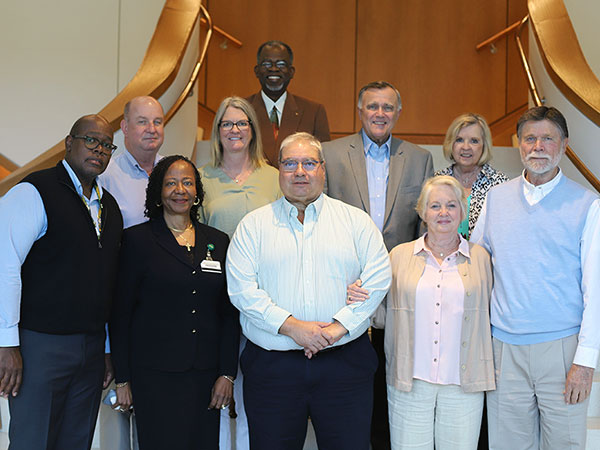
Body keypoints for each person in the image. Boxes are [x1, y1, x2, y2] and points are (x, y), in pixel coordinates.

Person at [226, 132, 392, 450]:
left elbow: (378, 277)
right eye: (290, 163)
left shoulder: (355, 222)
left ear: (322, 169)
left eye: (308, 163)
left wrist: (336, 328)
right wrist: (294, 327)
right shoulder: (253, 226)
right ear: (279, 170)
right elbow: (242, 290)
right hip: (273, 369)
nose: (299, 171)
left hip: (344, 365)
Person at [471, 106, 600, 449]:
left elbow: (596, 290)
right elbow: (473, 265)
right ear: (519, 144)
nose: (537, 146)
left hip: (561, 351)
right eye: (530, 138)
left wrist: (585, 363)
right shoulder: (495, 199)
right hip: (504, 349)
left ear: (564, 145)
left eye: (547, 138)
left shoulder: (588, 204)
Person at [0, 114, 123, 449]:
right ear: (69, 143)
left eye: (107, 145)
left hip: (91, 348)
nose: (99, 150)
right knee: (33, 441)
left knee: (76, 441)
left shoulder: (108, 207)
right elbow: (5, 266)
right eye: (91, 140)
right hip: (40, 346)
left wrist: (108, 348)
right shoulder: (33, 191)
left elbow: (108, 282)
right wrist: (6, 344)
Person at [322, 80, 433, 450]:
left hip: (398, 286)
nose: (380, 114)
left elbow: (423, 226)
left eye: (388, 107)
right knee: (349, 383)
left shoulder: (419, 159)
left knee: (392, 378)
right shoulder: (331, 154)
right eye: (373, 107)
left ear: (398, 112)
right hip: (346, 286)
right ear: (360, 110)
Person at [109, 155, 239, 450]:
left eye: (187, 182)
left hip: (206, 376)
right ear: (158, 191)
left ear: (197, 192)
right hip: (153, 376)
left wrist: (226, 373)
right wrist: (122, 379)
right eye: (170, 183)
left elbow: (228, 314)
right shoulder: (137, 241)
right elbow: (121, 314)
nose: (179, 189)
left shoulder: (217, 242)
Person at [383, 176, 494, 449]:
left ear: (463, 211)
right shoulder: (398, 256)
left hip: (463, 383)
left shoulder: (482, 258)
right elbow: (378, 308)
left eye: (451, 205)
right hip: (409, 381)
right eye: (435, 206)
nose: (443, 213)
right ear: (422, 211)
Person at [199, 96, 280, 450]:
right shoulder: (201, 179)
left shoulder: (275, 178)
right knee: (217, 387)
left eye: (242, 123)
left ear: (252, 130)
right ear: (218, 131)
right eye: (227, 124)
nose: (235, 130)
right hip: (216, 299)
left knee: (255, 393)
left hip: (264, 298)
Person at [98, 95, 166, 450]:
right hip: (123, 306)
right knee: (120, 424)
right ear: (124, 127)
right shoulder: (106, 176)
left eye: (157, 121)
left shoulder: (172, 173)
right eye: (142, 121)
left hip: (164, 309)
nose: (151, 129)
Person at [246, 40, 330, 166]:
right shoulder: (242, 109)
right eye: (267, 64)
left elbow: (323, 164)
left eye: (281, 64)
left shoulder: (313, 112)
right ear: (256, 71)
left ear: (291, 72)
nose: (274, 69)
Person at [434, 113, 509, 239]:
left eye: (474, 141)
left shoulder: (499, 184)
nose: (466, 147)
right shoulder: (437, 182)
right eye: (459, 140)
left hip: (485, 257)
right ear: (451, 144)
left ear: (484, 145)